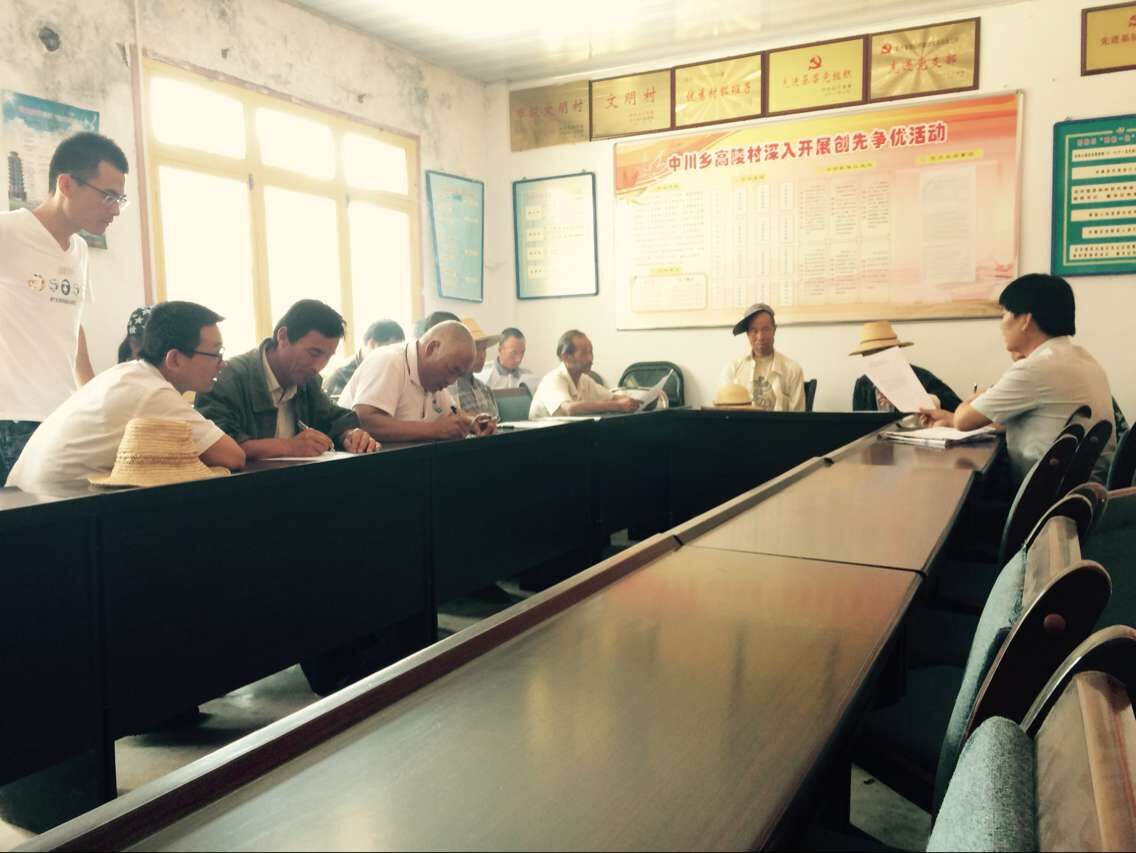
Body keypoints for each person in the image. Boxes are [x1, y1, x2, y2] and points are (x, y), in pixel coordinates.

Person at [5, 301, 244, 495]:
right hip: (53, 509)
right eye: (215, 353)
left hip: (21, 500)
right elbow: (232, 457)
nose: (222, 363)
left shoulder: (128, 375)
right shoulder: (151, 391)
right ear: (174, 359)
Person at [0, 132, 129, 482]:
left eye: (120, 199)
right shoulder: (7, 231)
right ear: (66, 184)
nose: (115, 210)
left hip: (60, 416)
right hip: (11, 417)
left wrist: (90, 398)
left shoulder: (79, 250)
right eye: (108, 196)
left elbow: (72, 324)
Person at [919, 274, 1116, 484]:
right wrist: (949, 419)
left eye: (1004, 314)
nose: (1001, 325)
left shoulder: (1035, 369)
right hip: (1084, 491)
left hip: (1046, 497)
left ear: (1025, 320)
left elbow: (963, 420)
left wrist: (980, 395)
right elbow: (1020, 421)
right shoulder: (1082, 358)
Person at [194, 299, 378, 459]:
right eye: (314, 353)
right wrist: (288, 446)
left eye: (328, 357)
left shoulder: (308, 381)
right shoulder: (227, 378)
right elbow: (213, 446)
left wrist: (349, 434)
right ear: (282, 337)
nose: (318, 366)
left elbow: (332, 417)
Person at [340, 319, 493, 441]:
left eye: (458, 375)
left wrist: (472, 422)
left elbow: (452, 414)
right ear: (432, 349)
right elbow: (364, 420)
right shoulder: (389, 360)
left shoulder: (433, 379)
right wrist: (434, 430)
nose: (452, 381)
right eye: (452, 370)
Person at [849, 320, 962, 412]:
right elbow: (859, 423)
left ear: (896, 351)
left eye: (882, 352)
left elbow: (957, 406)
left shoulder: (922, 377)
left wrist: (914, 399)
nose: (878, 360)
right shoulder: (862, 384)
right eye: (870, 354)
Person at [529, 330, 640, 419]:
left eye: (591, 352)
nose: (590, 359)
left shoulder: (584, 380)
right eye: (584, 353)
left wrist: (634, 401)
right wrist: (618, 406)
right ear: (566, 357)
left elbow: (612, 397)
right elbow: (569, 409)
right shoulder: (553, 379)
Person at [718, 303, 805, 411]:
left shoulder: (793, 370)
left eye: (766, 329)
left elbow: (798, 416)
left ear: (774, 330)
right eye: (754, 330)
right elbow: (723, 413)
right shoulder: (732, 370)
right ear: (747, 333)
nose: (760, 336)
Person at [323, 319, 404, 397]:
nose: (396, 355)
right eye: (391, 351)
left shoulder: (395, 368)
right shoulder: (341, 375)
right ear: (372, 344)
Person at [451, 318, 501, 419]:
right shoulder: (451, 390)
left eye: (484, 349)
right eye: (477, 349)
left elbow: (496, 422)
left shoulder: (484, 389)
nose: (482, 355)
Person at [478, 327, 538, 392]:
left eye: (522, 352)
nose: (518, 359)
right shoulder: (483, 375)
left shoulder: (528, 377)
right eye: (513, 353)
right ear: (500, 350)